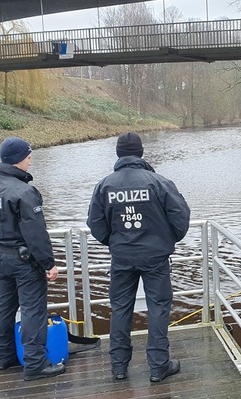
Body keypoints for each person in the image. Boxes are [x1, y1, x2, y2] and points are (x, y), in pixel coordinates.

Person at [87, 132, 191, 383]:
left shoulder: (105, 185)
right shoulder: (159, 183)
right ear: (141, 153)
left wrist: (115, 242)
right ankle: (158, 366)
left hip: (122, 257)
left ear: (118, 154)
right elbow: (180, 216)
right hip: (155, 256)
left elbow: (95, 223)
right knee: (158, 308)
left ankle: (119, 367)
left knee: (121, 308)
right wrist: (167, 240)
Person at [0, 137, 65, 381]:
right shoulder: (24, 192)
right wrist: (49, 263)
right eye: (28, 157)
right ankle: (35, 364)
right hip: (23, 260)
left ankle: (4, 357)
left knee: (4, 306)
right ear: (17, 160)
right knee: (33, 310)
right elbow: (35, 233)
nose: (30, 161)